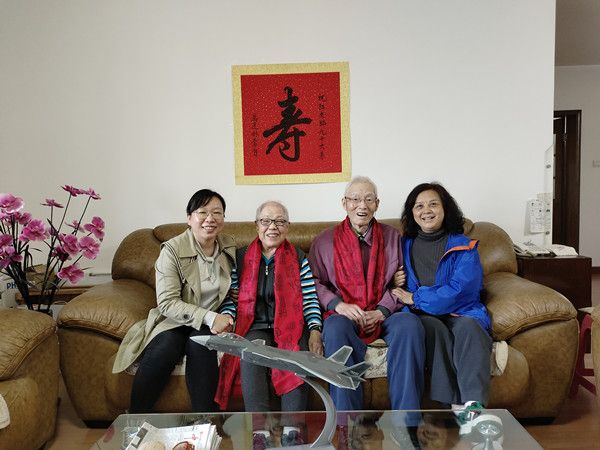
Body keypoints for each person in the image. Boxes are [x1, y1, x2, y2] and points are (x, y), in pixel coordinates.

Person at [112, 189, 236, 413]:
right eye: (203, 212)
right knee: (165, 348)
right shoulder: (172, 250)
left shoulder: (229, 247)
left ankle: (205, 421)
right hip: (175, 319)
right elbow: (167, 303)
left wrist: (228, 311)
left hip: (210, 321)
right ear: (189, 218)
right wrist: (210, 317)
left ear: (223, 219)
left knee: (201, 344)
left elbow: (235, 288)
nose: (210, 218)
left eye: (217, 212)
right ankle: (136, 417)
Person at [308, 176, 425, 412]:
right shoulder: (324, 241)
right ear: (344, 203)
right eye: (355, 199)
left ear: (377, 204)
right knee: (335, 328)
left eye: (369, 199)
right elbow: (313, 283)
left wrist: (382, 310)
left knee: (410, 325)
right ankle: (347, 423)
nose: (362, 205)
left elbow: (405, 282)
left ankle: (407, 420)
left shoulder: (393, 237)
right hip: (344, 314)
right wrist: (339, 305)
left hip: (386, 310)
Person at [215, 201, 323, 413]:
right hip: (255, 326)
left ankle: (293, 427)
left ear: (288, 227)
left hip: (293, 326)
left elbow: (310, 299)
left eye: (280, 221)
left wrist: (315, 330)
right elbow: (230, 299)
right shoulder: (240, 258)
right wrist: (227, 318)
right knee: (250, 353)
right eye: (266, 221)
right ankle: (259, 427)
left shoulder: (299, 258)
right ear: (256, 225)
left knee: (297, 357)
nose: (272, 227)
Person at [393, 182, 492, 412]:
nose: (426, 210)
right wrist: (394, 281)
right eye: (419, 206)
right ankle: (452, 405)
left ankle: (473, 407)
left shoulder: (465, 247)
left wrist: (415, 298)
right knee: (433, 329)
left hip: (461, 311)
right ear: (412, 212)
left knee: (471, 329)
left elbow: (460, 291)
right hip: (424, 315)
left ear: (445, 208)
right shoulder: (401, 245)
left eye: (433, 204)